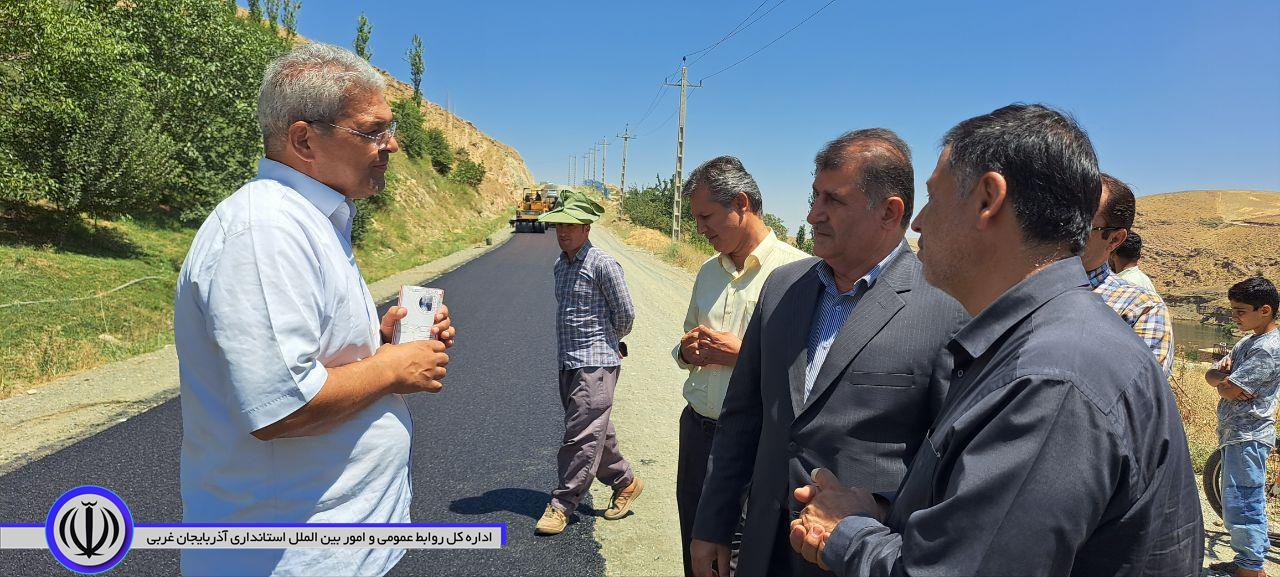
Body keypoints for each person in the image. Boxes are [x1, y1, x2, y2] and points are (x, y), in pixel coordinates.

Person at [787, 103, 1202, 577]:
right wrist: (883, 515)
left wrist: (843, 533)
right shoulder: (1039, 341)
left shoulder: (1052, 379)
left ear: (988, 199)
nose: (918, 223)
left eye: (934, 199)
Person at [173, 43, 455, 576]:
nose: (392, 145)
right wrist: (395, 367)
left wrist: (380, 336)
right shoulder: (266, 231)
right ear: (305, 139)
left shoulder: (310, 220)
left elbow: (301, 352)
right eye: (373, 131)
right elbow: (282, 405)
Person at [690, 129, 969, 577]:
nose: (812, 214)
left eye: (832, 201)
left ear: (889, 212)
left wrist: (879, 508)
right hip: (763, 546)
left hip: (854, 558)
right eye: (813, 196)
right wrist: (713, 523)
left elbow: (950, 462)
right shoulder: (782, 288)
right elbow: (743, 417)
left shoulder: (944, 307)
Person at [675, 156, 809, 577]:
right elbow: (681, 345)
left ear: (740, 203)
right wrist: (687, 352)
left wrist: (744, 355)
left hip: (756, 443)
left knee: (742, 559)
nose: (700, 229)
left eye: (706, 216)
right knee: (696, 551)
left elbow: (812, 371)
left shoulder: (798, 272)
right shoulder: (706, 272)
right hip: (697, 432)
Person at [533, 191, 642, 535]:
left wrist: (610, 342)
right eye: (559, 225)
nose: (563, 231)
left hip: (596, 363)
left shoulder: (602, 264)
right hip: (568, 362)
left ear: (587, 226)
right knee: (596, 432)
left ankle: (562, 504)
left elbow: (625, 314)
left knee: (579, 436)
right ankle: (626, 482)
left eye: (571, 225)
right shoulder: (559, 265)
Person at [1205, 276, 1280, 577]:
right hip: (1237, 434)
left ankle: (1250, 570)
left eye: (1240, 311)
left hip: (1248, 435)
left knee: (1242, 502)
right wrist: (1223, 380)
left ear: (1265, 310)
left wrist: (1225, 382)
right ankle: (1247, 561)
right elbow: (1216, 378)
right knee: (1243, 500)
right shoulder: (1247, 342)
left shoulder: (1267, 349)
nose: (1234, 316)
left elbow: (1227, 387)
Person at [1079, 173, 1175, 375]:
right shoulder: (1013, 285)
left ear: (1114, 239)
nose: (1061, 232)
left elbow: (1138, 394)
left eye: (1080, 227)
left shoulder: (1142, 309)